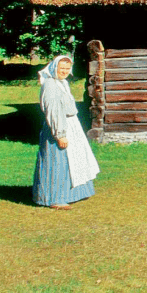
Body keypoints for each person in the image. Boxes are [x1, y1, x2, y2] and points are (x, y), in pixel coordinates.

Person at [33, 55, 100, 210]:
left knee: (74, 160)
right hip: (58, 128)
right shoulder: (50, 85)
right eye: (61, 68)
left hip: (70, 124)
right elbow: (53, 111)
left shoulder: (62, 83)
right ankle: (55, 198)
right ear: (53, 68)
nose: (64, 71)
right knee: (57, 161)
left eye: (67, 68)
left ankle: (73, 193)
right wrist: (60, 134)